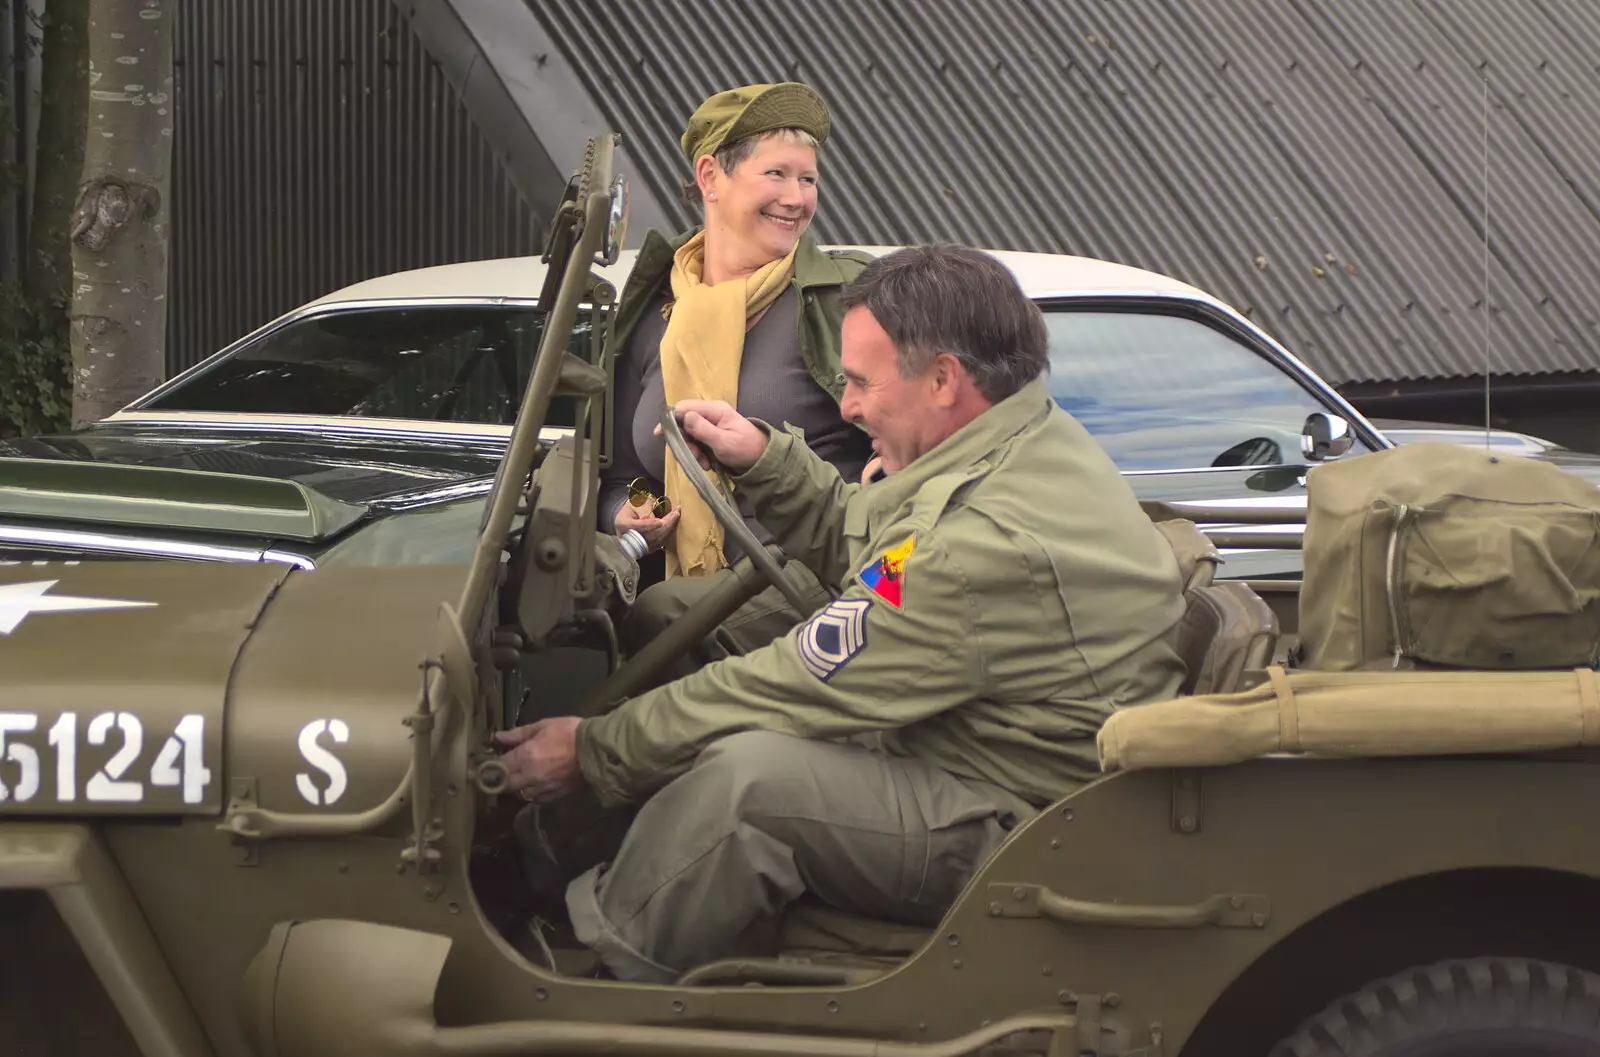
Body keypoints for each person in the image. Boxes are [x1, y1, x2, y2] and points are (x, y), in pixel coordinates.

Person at [497, 244, 1188, 982]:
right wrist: (765, 459)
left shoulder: (976, 548)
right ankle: (541, 863)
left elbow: (798, 677)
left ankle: (592, 989)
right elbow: (875, 548)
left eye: (859, 382)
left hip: (1026, 821)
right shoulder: (1017, 443)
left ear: (944, 379)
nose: (848, 406)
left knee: (748, 783)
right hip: (989, 749)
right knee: (684, 631)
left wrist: (595, 747)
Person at [601, 81, 874, 665]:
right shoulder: (652, 311)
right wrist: (629, 512)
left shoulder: (847, 297)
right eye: (776, 174)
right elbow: (624, 474)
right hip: (684, 578)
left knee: (666, 618)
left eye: (809, 179)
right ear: (710, 177)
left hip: (835, 575)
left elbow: (920, 446)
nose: (797, 198)